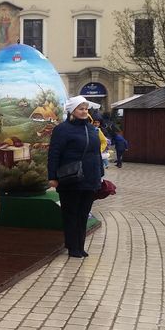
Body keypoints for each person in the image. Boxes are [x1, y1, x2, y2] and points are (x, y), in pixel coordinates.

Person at [48, 96, 103, 258]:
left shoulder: (91, 129)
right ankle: (72, 246)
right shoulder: (62, 129)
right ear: (72, 111)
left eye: (86, 109)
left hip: (90, 178)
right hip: (70, 178)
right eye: (81, 109)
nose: (84, 111)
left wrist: (100, 174)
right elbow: (54, 154)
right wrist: (52, 176)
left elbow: (96, 154)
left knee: (83, 213)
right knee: (71, 213)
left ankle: (80, 245)